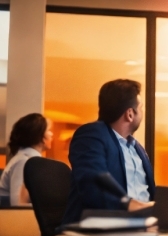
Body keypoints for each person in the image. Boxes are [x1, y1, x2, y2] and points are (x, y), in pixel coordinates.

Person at [62, 79, 155, 224]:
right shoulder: (91, 136)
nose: (143, 112)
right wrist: (130, 205)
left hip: (145, 227)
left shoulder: (138, 149)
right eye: (141, 107)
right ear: (130, 114)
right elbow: (91, 183)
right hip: (103, 228)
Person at [0, 113, 53, 206]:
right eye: (49, 130)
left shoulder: (30, 160)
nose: (52, 134)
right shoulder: (24, 161)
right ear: (40, 136)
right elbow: (18, 205)